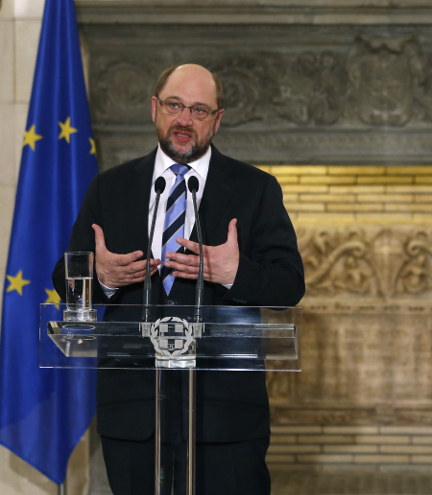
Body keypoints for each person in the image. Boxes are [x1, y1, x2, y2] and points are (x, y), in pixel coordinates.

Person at [52, 64, 305, 495]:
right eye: (174, 105)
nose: (184, 119)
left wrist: (233, 273)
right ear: (154, 109)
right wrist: (101, 277)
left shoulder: (255, 189)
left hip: (223, 417)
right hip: (134, 414)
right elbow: (65, 278)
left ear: (217, 120)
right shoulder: (109, 188)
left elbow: (288, 286)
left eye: (199, 110)